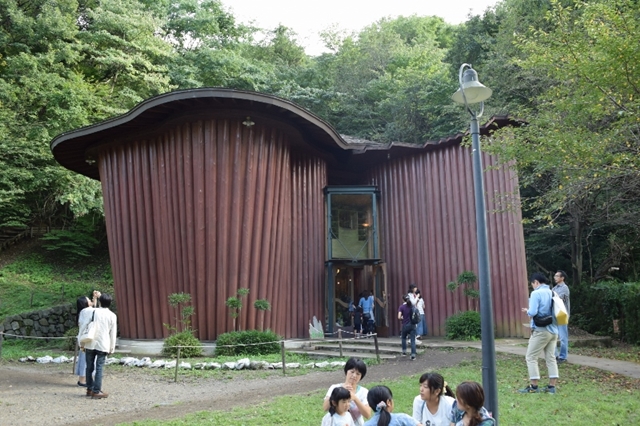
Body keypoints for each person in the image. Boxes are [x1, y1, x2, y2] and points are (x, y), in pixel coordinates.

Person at [519, 272, 559, 394]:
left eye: (532, 284)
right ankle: (552, 387)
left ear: (536, 282)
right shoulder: (553, 292)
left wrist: (527, 311)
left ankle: (534, 386)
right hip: (553, 330)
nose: (533, 287)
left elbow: (533, 312)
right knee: (551, 358)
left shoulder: (536, 293)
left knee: (531, 357)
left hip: (541, 330)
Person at [80, 293, 117, 399]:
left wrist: (81, 342)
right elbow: (112, 333)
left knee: (89, 367)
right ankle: (97, 391)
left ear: (100, 302)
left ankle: (89, 389)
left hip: (90, 341)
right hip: (103, 343)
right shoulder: (112, 315)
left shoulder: (93, 312)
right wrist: (112, 347)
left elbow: (84, 325)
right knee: (99, 367)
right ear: (110, 303)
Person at [323, 357, 372, 425]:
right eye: (352, 372)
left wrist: (355, 398)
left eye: (358, 374)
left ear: (361, 376)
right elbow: (325, 407)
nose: (354, 375)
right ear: (346, 371)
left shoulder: (364, 392)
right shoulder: (335, 387)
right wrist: (338, 392)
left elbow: (367, 415)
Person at [75, 291, 99, 387]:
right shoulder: (87, 311)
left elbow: (94, 311)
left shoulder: (83, 312)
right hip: (87, 339)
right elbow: (97, 312)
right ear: (85, 303)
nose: (90, 300)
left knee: (84, 358)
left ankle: (83, 379)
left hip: (83, 339)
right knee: (85, 359)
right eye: (89, 300)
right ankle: (82, 380)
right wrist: (99, 298)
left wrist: (95, 299)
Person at [553, 270, 570, 363]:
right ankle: (555, 355)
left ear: (562, 278)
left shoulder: (564, 288)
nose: (555, 277)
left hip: (562, 314)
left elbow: (557, 299)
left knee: (563, 337)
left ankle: (563, 356)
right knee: (553, 335)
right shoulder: (554, 288)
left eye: (557, 276)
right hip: (555, 314)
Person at [398, 295, 417, 360]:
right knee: (413, 340)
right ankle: (413, 355)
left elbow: (399, 317)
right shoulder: (412, 307)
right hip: (412, 325)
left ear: (403, 300)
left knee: (403, 338)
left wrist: (402, 318)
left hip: (405, 325)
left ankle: (404, 352)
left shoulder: (401, 307)